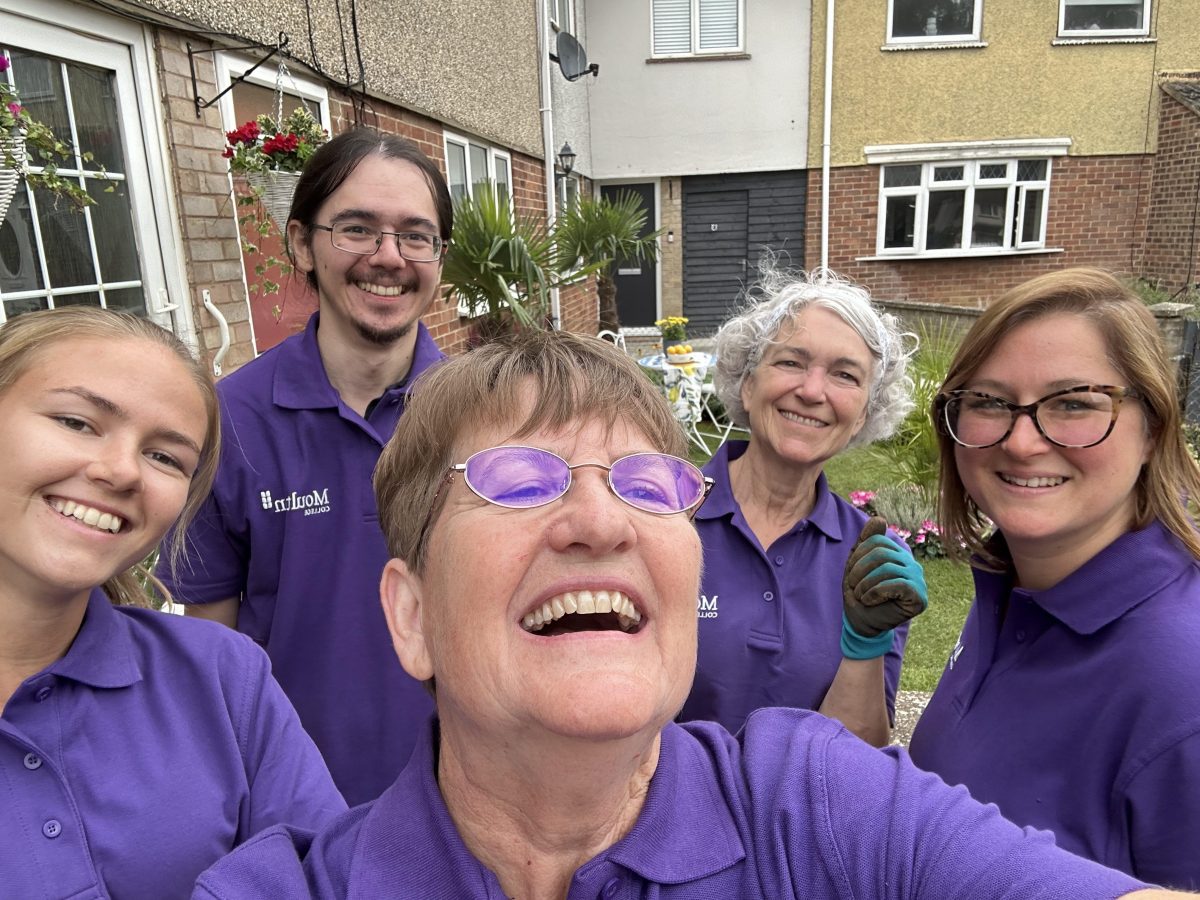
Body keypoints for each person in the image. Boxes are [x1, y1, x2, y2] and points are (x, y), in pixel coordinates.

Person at [195, 331, 1189, 900]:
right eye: (517, 482)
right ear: (409, 616)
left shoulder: (812, 802)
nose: (598, 518)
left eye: (642, 484)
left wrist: (862, 648)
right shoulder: (283, 889)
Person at [0, 308, 344, 899]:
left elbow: (328, 874)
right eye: (76, 421)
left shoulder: (223, 677)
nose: (120, 471)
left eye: (165, 456)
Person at [158, 128, 450, 805]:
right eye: (356, 229)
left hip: (468, 788)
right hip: (295, 793)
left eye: (415, 235)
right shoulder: (230, 419)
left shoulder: (485, 415)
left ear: (439, 257)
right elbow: (211, 630)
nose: (388, 258)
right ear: (300, 244)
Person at [908, 268, 1200, 889]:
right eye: (988, 401)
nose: (1020, 441)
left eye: (1073, 403)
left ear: (1153, 426)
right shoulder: (1017, 590)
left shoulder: (1184, 681)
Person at [679, 263, 925, 746]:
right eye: (791, 362)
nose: (813, 392)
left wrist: (865, 645)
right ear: (747, 385)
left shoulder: (871, 559)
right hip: (664, 811)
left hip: (798, 819)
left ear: (863, 416)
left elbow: (860, 751)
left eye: (845, 375)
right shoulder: (666, 514)